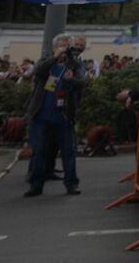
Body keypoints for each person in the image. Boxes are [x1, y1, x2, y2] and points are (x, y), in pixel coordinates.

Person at [24, 33, 88, 197]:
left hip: (64, 116)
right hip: (40, 115)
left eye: (69, 45)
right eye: (63, 45)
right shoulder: (47, 62)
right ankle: (36, 185)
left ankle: (71, 184)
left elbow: (82, 83)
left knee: (68, 152)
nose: (67, 49)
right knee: (38, 151)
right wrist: (54, 58)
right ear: (55, 48)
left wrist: (71, 80)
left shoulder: (75, 65)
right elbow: (37, 72)